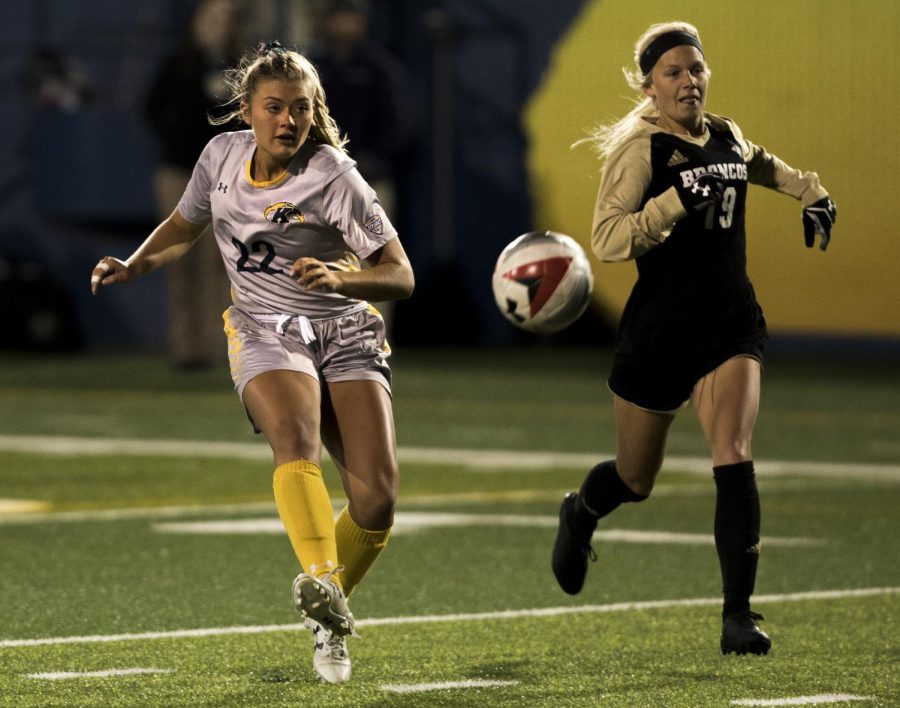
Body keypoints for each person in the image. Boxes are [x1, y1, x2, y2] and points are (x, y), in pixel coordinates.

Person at [91, 40, 415, 684]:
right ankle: (323, 582)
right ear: (247, 111)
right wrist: (134, 263)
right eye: (274, 107)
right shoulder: (220, 156)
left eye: (301, 107)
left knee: (376, 500)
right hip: (265, 328)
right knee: (294, 440)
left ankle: (327, 612)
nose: (288, 120)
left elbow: (400, 275)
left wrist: (339, 280)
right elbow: (184, 226)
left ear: (313, 111)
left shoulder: (335, 176)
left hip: (345, 329)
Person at [551, 21, 836, 656]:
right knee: (634, 478)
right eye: (673, 72)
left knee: (732, 452)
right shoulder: (641, 151)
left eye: (695, 69)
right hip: (660, 333)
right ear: (649, 86)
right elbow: (607, 240)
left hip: (730, 324)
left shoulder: (725, 134)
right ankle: (581, 512)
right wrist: (672, 203)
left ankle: (738, 617)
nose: (688, 80)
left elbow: (758, 164)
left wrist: (810, 191)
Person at [144, 0, 241, 369]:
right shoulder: (177, 64)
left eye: (223, 19)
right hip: (179, 172)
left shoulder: (238, 67)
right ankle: (186, 348)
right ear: (195, 22)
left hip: (223, 177)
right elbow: (150, 107)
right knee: (178, 258)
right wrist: (173, 140)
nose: (216, 25)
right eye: (210, 17)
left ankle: (217, 347)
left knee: (219, 263)